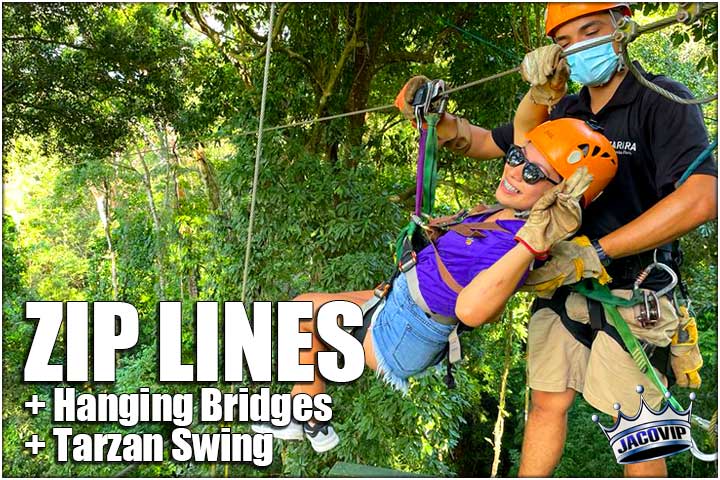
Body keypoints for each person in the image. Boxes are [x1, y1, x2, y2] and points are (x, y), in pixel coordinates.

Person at [399, 3, 717, 477]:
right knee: (546, 404)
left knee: (638, 428)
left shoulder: (662, 101)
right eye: (566, 41)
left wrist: (599, 252)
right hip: (558, 284)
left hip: (634, 286)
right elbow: (492, 143)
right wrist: (433, 117)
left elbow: (702, 197)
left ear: (622, 25)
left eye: (591, 30)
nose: (581, 46)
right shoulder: (564, 109)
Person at [251, 101, 619, 452]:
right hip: (400, 300)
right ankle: (308, 416)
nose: (515, 171)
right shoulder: (507, 212)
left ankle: (307, 415)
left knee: (306, 319)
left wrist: (532, 243)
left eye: (534, 173)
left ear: (560, 197)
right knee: (303, 308)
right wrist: (540, 93)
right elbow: (524, 129)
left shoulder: (518, 244)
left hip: (407, 334)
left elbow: (473, 311)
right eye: (517, 157)